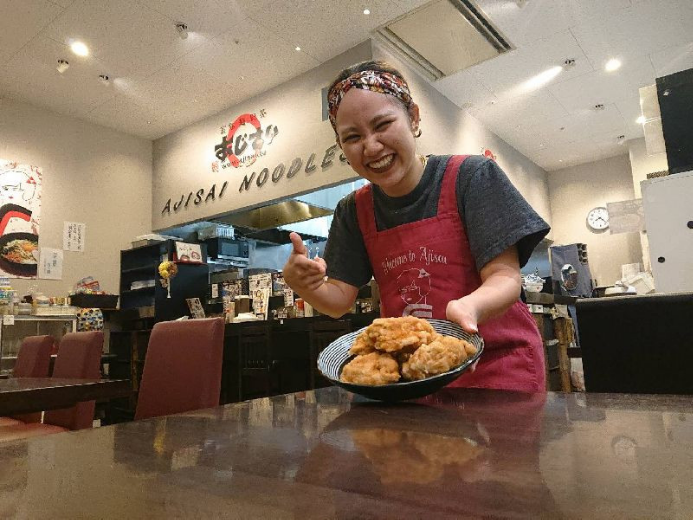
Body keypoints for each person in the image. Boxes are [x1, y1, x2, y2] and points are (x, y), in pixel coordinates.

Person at [282, 60, 550, 392]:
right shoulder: (353, 211)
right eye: (352, 137)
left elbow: (505, 278)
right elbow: (338, 301)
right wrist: (304, 285)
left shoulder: (472, 177)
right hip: (412, 381)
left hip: (498, 370)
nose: (371, 146)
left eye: (382, 124)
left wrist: (470, 306)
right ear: (341, 146)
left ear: (414, 117)